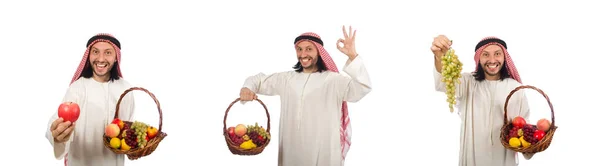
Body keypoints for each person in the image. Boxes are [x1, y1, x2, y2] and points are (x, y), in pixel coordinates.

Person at [238, 26, 372, 166]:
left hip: (324, 154)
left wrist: (352, 56)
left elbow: (362, 88)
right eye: (299, 49)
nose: (303, 54)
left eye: (309, 49)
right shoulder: (287, 79)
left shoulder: (334, 80)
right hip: (291, 153)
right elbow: (257, 80)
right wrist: (247, 88)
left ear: (319, 52)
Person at [431, 35, 535, 166]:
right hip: (472, 159)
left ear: (504, 57)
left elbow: (524, 126)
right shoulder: (467, 82)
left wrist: (530, 146)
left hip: (504, 160)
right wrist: (439, 56)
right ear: (478, 58)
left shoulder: (516, 87)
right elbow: (444, 82)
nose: (492, 60)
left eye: (497, 54)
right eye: (485, 55)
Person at [45, 33, 135, 166]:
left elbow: (128, 127)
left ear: (116, 57)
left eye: (108, 53)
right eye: (95, 52)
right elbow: (56, 123)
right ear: (89, 55)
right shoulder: (78, 88)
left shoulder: (125, 88)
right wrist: (57, 136)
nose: (101, 58)